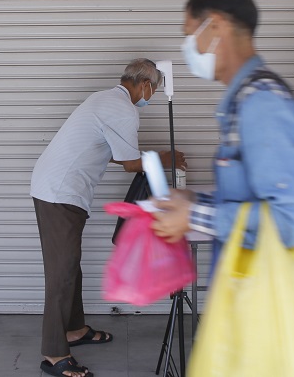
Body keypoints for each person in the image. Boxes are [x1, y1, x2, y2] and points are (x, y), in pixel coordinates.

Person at [148, 0, 294, 286]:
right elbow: (250, 201)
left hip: (266, 301)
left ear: (216, 26)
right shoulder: (243, 100)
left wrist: (194, 216)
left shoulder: (262, 103)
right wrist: (194, 201)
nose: (188, 47)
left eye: (190, 35)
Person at [30, 58, 184, 377]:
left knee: (69, 265)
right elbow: (129, 163)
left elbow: (114, 152)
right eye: (154, 91)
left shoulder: (104, 98)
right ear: (145, 85)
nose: (151, 97)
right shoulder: (123, 109)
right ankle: (54, 354)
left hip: (58, 187)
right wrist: (165, 157)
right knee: (61, 273)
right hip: (60, 192)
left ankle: (74, 330)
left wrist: (153, 158)